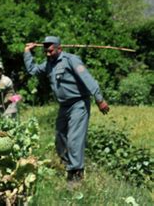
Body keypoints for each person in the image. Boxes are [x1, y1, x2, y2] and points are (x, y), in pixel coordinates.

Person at [24, 36, 110, 189]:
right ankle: (69, 164)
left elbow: (87, 78)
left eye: (50, 51)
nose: (48, 54)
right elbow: (32, 70)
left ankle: (75, 175)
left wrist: (99, 99)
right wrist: (27, 53)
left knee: (74, 140)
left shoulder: (71, 60)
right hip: (64, 107)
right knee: (60, 139)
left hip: (78, 104)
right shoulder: (48, 64)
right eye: (45, 52)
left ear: (59, 48)